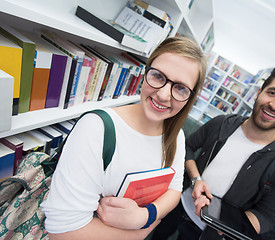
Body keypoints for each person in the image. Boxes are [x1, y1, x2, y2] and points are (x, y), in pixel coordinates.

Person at [40, 36, 207, 240]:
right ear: (146, 71)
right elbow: (62, 233)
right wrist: (136, 235)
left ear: (191, 97)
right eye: (158, 76)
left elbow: (174, 189)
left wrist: (144, 216)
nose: (164, 95)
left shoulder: (176, 137)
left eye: (180, 88)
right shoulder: (96, 128)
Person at [152, 62, 275, 240]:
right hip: (175, 205)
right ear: (258, 93)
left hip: (206, 233)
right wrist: (196, 179)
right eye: (273, 92)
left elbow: (268, 216)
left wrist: (218, 223)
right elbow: (187, 147)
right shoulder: (222, 123)